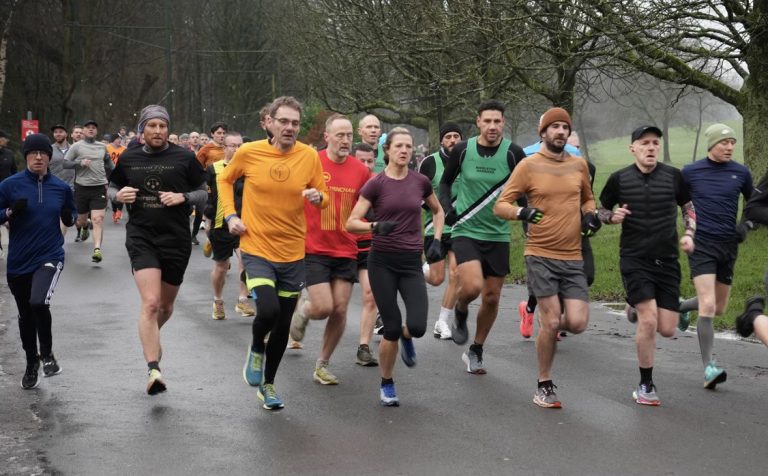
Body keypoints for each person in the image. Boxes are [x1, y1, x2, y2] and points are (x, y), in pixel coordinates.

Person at [218, 96, 328, 410]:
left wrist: (317, 196)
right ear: (270, 122)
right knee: (267, 311)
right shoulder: (250, 152)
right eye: (284, 121)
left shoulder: (308, 156)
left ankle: (268, 384)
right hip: (257, 247)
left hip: (293, 252)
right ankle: (255, 348)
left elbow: (325, 199)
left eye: (295, 122)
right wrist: (230, 216)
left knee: (283, 324)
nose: (290, 127)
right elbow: (225, 180)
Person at [494, 107, 596, 408]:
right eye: (555, 127)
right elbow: (501, 205)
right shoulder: (528, 166)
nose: (561, 132)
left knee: (576, 323)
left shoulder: (579, 166)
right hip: (540, 253)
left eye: (565, 127)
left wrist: (590, 215)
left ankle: (545, 326)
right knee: (551, 322)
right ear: (543, 132)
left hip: (573, 255)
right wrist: (521, 212)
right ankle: (544, 382)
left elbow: (588, 197)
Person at [108, 105, 207, 395]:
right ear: (142, 129)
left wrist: (183, 197)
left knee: (165, 306)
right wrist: (118, 194)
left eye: (162, 126)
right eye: (151, 126)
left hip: (176, 239)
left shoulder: (185, 157)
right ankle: (154, 368)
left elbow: (203, 194)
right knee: (150, 303)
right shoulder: (129, 158)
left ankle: (150, 333)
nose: (158, 131)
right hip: (142, 236)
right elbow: (112, 187)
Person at [346, 127, 445, 406]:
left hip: (411, 262)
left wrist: (436, 239)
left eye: (409, 146)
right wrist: (375, 226)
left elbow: (438, 211)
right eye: (399, 146)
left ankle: (407, 336)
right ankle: (387, 382)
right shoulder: (376, 184)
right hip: (382, 263)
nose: (404, 150)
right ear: (387, 150)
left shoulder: (421, 182)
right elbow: (351, 222)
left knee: (417, 325)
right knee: (390, 327)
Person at [598, 126, 696, 405]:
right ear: (633, 148)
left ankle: (634, 306)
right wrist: (611, 217)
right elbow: (599, 210)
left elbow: (688, 207)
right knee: (649, 320)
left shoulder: (674, 176)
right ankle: (646, 384)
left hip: (667, 260)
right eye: (645, 143)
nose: (651, 147)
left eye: (655, 143)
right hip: (635, 258)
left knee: (667, 328)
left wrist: (689, 234)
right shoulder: (619, 179)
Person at [438, 100, 526, 374]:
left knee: (491, 297)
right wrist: (448, 208)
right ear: (477, 122)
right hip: (466, 230)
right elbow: (444, 182)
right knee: (473, 286)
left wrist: (528, 226)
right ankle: (461, 308)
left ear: (503, 123)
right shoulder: (463, 150)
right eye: (486, 121)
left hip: (498, 234)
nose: (492, 126)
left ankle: (476, 349)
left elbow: (523, 193)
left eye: (497, 121)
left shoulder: (514, 153)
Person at [288, 114, 372, 384]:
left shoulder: (360, 170)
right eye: (340, 135)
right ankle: (305, 310)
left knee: (340, 309)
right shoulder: (312, 162)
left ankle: (322, 364)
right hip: (314, 247)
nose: (346, 140)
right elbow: (290, 193)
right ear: (327, 137)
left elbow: (369, 205)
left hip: (346, 247)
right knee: (323, 307)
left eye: (349, 135)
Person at [0, 133, 76, 389]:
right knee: (25, 315)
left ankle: (48, 355)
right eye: (33, 153)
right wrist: (9, 212)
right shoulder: (10, 185)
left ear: (49, 157)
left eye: (43, 153)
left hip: (50, 254)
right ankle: (31, 361)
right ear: (26, 156)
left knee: (38, 301)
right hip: (19, 260)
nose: (39, 157)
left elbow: (71, 215)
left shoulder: (61, 188)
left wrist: (69, 215)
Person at [680, 123, 753, 389]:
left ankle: (680, 307)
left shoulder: (741, 173)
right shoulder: (690, 173)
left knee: (718, 307)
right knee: (708, 305)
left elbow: (754, 204)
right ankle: (709, 368)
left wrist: (746, 225)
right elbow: (680, 202)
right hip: (702, 243)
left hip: (728, 246)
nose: (730, 147)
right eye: (724, 143)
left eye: (733, 142)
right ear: (711, 144)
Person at [203, 131, 255, 320]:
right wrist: (206, 222)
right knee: (222, 267)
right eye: (233, 145)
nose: (237, 149)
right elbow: (208, 199)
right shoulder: (214, 169)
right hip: (221, 224)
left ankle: (243, 300)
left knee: (246, 262)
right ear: (224, 148)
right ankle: (218, 301)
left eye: (240, 145)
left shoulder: (249, 169)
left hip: (246, 225)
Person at [418, 122, 463, 340]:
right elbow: (418, 196)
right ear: (442, 140)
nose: (453, 140)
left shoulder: (466, 161)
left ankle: (442, 322)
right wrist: (440, 209)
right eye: (448, 137)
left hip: (459, 228)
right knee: (436, 278)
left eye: (456, 136)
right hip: (434, 228)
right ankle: (416, 270)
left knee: (456, 274)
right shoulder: (429, 163)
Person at [63, 119, 113, 262]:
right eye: (88, 127)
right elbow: (65, 163)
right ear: (84, 131)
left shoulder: (102, 147)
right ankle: (84, 227)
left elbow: (108, 161)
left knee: (98, 219)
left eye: (93, 128)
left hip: (99, 187)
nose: (91, 129)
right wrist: (80, 163)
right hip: (82, 188)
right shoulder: (76, 147)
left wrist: (117, 174)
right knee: (81, 219)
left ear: (96, 131)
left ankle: (97, 250)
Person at [350, 142, 379, 365]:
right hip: (340, 246)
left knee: (371, 295)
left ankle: (364, 347)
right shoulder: (342, 179)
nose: (366, 165)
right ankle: (304, 310)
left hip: (368, 245)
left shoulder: (378, 182)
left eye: (370, 161)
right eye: (361, 160)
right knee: (330, 306)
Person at [48, 124, 75, 235]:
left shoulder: (74, 149)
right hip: (54, 188)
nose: (58, 134)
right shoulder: (49, 149)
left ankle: (59, 242)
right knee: (55, 216)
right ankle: (57, 242)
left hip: (72, 188)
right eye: (56, 132)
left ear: (66, 134)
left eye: (60, 131)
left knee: (64, 216)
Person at [106, 134, 126, 223]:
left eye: (120, 139)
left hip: (121, 173)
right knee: (112, 194)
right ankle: (115, 211)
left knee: (121, 192)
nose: (119, 140)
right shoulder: (107, 148)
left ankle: (119, 211)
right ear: (113, 140)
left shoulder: (124, 149)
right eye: (117, 139)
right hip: (109, 173)